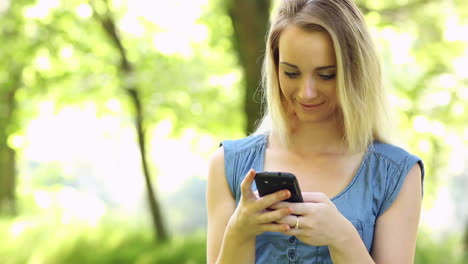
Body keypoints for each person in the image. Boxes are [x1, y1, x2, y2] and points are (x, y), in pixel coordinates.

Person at [206, 0, 424, 263]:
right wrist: (239, 230)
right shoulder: (228, 163)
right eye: (291, 73)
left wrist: (342, 237)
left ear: (355, 72)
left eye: (326, 75)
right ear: (275, 68)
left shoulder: (396, 174)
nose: (306, 92)